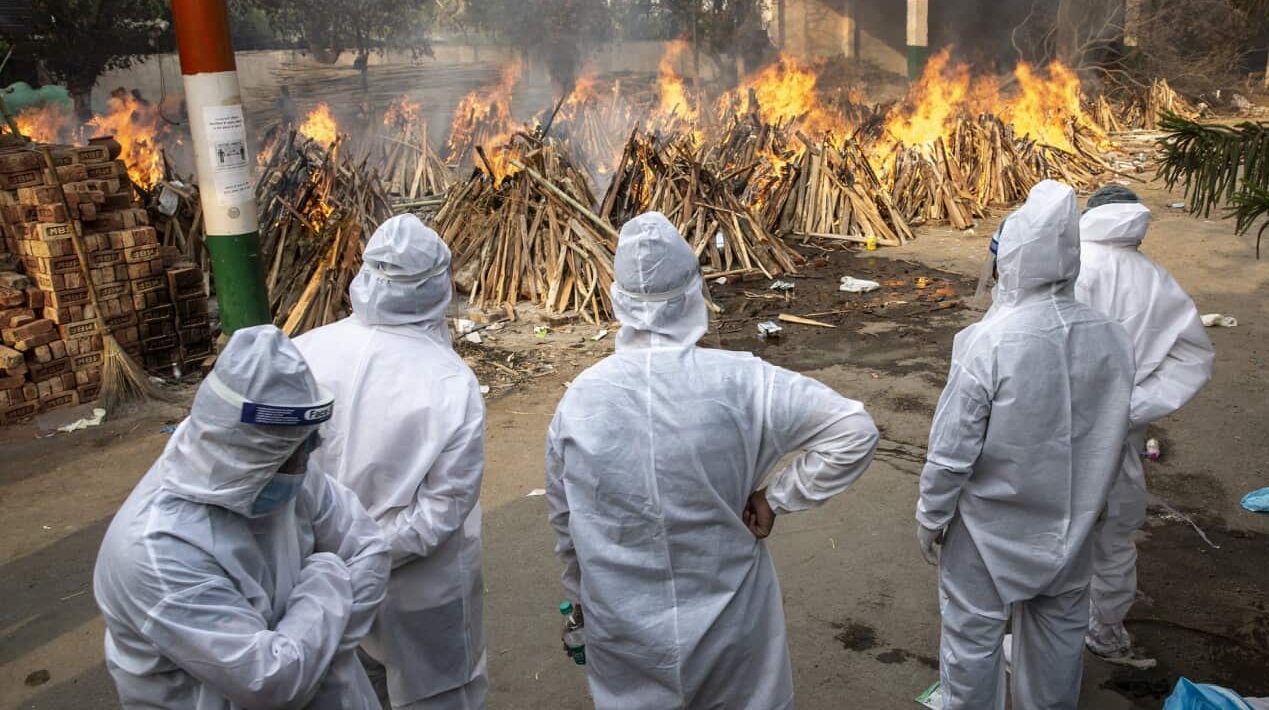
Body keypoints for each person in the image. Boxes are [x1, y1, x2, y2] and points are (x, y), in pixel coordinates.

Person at [546, 211, 880, 710]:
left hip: (625, 631)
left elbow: (566, 522)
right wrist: (776, 498)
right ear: (694, 295)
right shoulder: (745, 382)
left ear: (618, 300)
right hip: (733, 631)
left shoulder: (581, 401)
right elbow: (854, 430)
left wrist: (580, 605)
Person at [916, 181, 1136, 710]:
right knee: (1058, 647)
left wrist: (930, 516)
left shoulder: (988, 343)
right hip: (1074, 523)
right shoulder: (1111, 336)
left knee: (972, 644)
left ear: (1011, 259)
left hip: (989, 532)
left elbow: (951, 452)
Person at [93, 325, 390, 709]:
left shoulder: (281, 467)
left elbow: (369, 549)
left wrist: (313, 659)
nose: (307, 460)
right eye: (297, 452)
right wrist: (328, 575)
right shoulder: (156, 549)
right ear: (248, 452)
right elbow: (268, 681)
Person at [295, 214, 487, 710]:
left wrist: (338, 561)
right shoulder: (449, 381)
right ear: (434, 289)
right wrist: (373, 552)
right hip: (419, 589)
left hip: (314, 580)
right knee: (437, 693)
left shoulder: (302, 354)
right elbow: (444, 509)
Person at [1074, 186, 1214, 659]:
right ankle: (1104, 630)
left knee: (1052, 533)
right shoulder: (1157, 280)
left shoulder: (1063, 268)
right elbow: (1193, 357)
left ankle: (1044, 637)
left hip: (1056, 435)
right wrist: (1132, 405)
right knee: (1112, 537)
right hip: (1121, 437)